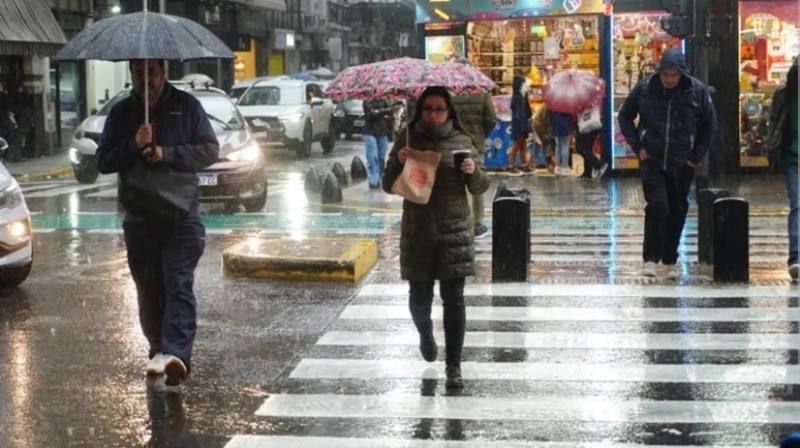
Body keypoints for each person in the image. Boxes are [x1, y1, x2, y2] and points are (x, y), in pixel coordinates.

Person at [96, 59, 220, 386]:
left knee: (177, 282)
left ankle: (176, 354)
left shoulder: (186, 106)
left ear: (162, 71)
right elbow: (105, 161)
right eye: (138, 74)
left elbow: (209, 150)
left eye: (151, 72)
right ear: (131, 75)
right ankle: (158, 351)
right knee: (149, 289)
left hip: (180, 214)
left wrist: (168, 153)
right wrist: (133, 146)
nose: (145, 80)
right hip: (140, 217)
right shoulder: (122, 113)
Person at [382, 85, 490, 388]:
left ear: (449, 110)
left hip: (454, 231)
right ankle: (425, 333)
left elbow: (481, 186)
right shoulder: (407, 137)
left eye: (439, 109)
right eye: (428, 108)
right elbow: (387, 184)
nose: (433, 114)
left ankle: (454, 365)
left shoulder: (462, 139)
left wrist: (471, 171)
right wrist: (398, 164)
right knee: (419, 298)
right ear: (421, 110)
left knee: (454, 300)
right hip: (418, 231)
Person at [617, 47, 717, 279]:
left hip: (682, 163)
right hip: (652, 159)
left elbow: (709, 126)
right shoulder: (645, 88)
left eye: (674, 75)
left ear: (681, 74)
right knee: (658, 206)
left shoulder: (696, 92)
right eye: (666, 75)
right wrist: (638, 147)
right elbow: (625, 116)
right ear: (660, 73)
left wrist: (695, 157)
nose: (670, 79)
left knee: (677, 210)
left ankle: (670, 258)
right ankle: (650, 259)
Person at [450, 60, 497, 238]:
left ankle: (459, 218)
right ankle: (477, 223)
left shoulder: (451, 91)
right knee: (476, 183)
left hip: (454, 143)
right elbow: (491, 119)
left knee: (456, 182)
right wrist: (481, 135)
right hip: (476, 145)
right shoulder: (480, 92)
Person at [766, 56, 799, 280]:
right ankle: (796, 256)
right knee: (798, 205)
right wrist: (772, 149)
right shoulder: (784, 96)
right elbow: (775, 124)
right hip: (793, 159)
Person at [363, 97, 393, 189]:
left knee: (381, 157)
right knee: (373, 156)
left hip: (382, 132)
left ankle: (379, 177)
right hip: (370, 131)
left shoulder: (384, 99)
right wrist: (382, 113)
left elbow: (390, 110)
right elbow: (370, 115)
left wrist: (378, 111)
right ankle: (373, 180)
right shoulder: (367, 100)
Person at [509, 74, 533, 175]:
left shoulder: (521, 97)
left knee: (523, 145)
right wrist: (524, 126)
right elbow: (519, 114)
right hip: (519, 125)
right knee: (517, 145)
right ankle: (512, 166)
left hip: (522, 125)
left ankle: (524, 165)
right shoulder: (518, 98)